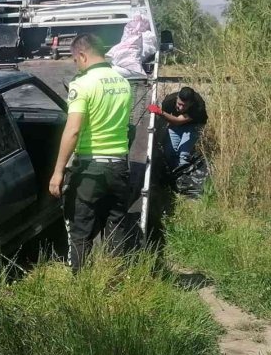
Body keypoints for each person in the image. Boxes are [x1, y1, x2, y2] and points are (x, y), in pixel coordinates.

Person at [49, 34, 134, 271]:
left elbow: (73, 130)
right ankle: (113, 279)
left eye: (76, 60)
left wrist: (58, 172)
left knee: (80, 228)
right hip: (119, 165)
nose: (77, 65)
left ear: (83, 55)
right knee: (115, 225)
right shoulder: (123, 82)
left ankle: (81, 284)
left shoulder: (82, 84)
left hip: (91, 168)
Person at [148, 86, 208, 170]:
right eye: (179, 104)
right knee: (169, 151)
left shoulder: (198, 106)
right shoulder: (169, 101)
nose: (181, 108)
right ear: (177, 98)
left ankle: (183, 173)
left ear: (191, 103)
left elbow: (178, 120)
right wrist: (158, 140)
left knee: (183, 153)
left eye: (185, 106)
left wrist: (160, 112)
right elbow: (163, 123)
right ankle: (173, 172)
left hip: (194, 124)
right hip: (176, 124)